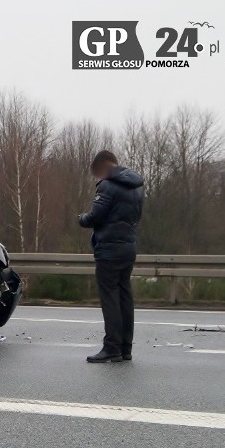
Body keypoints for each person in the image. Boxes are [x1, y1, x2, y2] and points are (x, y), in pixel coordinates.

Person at [78, 150, 144, 363]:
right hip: (128, 248)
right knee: (125, 297)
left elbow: (96, 216)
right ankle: (126, 348)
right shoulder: (136, 187)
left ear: (104, 167)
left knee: (110, 298)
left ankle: (111, 347)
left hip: (109, 250)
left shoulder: (107, 185)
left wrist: (82, 219)